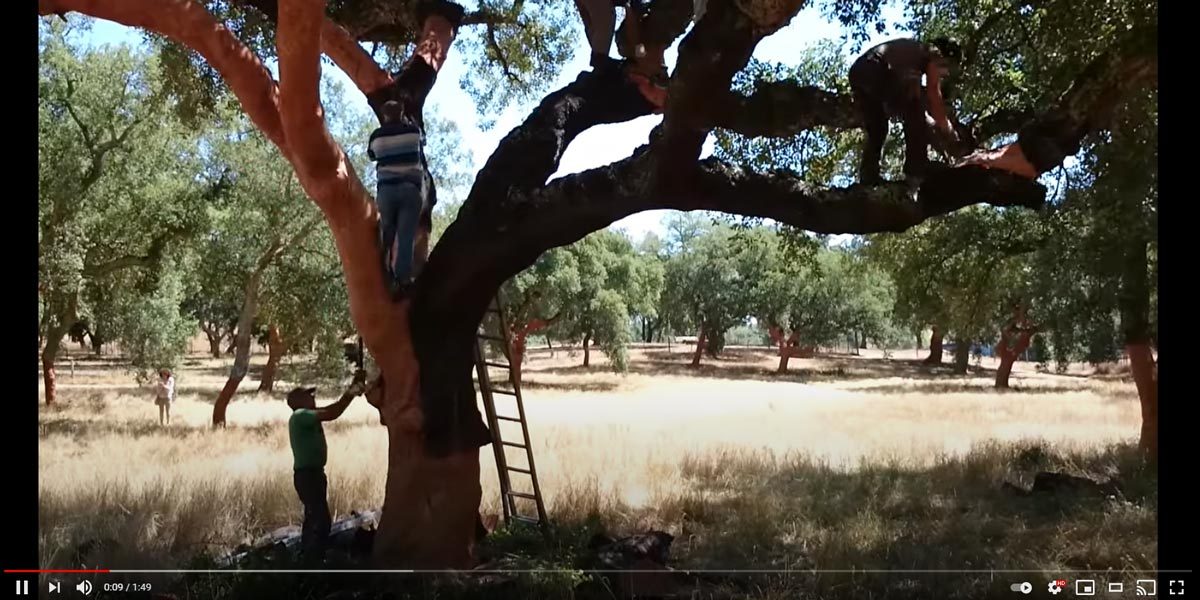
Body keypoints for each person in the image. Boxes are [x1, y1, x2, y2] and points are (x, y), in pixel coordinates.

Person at [849, 37, 962, 184]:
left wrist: (930, 125)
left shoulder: (914, 56)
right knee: (914, 106)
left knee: (879, 126)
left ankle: (868, 175)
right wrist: (949, 132)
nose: (944, 74)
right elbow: (933, 96)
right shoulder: (929, 53)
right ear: (943, 58)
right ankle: (917, 166)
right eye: (946, 68)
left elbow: (914, 98)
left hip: (859, 72)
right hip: (874, 70)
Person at [287, 369, 367, 565]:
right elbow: (333, 412)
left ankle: (308, 558)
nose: (313, 397)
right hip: (308, 476)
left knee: (313, 517)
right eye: (309, 395)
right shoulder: (300, 416)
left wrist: (352, 390)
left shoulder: (306, 415)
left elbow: (333, 409)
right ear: (299, 401)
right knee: (321, 521)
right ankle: (314, 562)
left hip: (312, 474)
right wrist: (351, 392)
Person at [368, 98, 427, 298]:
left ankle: (381, 273)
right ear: (401, 113)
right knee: (406, 236)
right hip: (411, 190)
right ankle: (401, 280)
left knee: (387, 233)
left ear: (384, 116)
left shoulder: (376, 137)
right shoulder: (413, 132)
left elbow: (372, 155)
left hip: (386, 191)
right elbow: (422, 143)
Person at [574, 0, 668, 111]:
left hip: (637, 53)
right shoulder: (645, 54)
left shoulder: (642, 54)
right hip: (640, 51)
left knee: (603, 18)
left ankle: (600, 59)